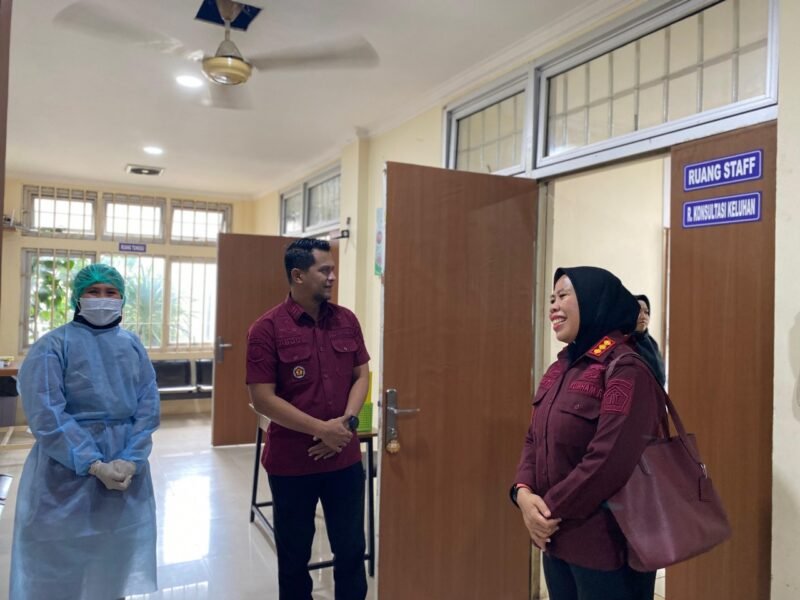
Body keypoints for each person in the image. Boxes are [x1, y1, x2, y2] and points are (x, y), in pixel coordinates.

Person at [511, 266, 666, 600]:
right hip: (556, 539)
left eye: (563, 296)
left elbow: (609, 460)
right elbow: (534, 438)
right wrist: (522, 494)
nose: (553, 306)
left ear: (594, 300)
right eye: (551, 298)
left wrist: (546, 511)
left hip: (606, 546)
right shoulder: (560, 368)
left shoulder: (626, 368)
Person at [9, 263, 160, 600]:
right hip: (64, 473)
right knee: (59, 562)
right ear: (78, 297)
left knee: (114, 558)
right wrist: (92, 462)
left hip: (126, 470)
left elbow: (147, 405)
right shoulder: (52, 346)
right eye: (93, 291)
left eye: (111, 292)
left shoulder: (132, 345)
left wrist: (132, 458)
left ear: (122, 298)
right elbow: (47, 414)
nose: (102, 298)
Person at [246, 238, 370, 600]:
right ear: (298, 275)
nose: (332, 277)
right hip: (292, 465)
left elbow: (361, 375)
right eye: (324, 270)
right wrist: (321, 430)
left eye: (333, 270)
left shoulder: (347, 320)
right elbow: (262, 397)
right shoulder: (266, 329)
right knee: (294, 557)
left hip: (344, 459)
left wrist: (345, 424)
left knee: (351, 550)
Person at [631, 294, 666, 387]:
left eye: (646, 312)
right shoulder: (623, 342)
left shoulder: (652, 343)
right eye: (638, 312)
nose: (643, 316)